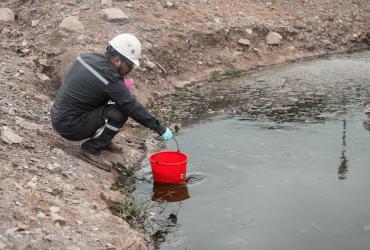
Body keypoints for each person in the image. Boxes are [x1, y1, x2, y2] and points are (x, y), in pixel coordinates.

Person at [50, 33, 173, 172]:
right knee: (120, 113)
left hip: (60, 115)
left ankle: (103, 140)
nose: (130, 70)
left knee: (115, 102)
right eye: (130, 66)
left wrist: (118, 89)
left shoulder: (87, 57)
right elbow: (131, 106)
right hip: (69, 126)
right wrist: (160, 128)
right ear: (117, 60)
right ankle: (91, 149)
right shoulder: (109, 77)